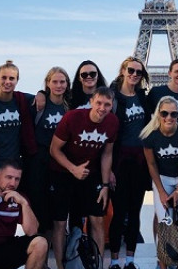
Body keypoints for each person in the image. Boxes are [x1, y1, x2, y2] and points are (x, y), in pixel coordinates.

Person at [49, 87, 119, 269]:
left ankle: (97, 265)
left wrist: (104, 185)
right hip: (63, 171)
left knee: (97, 218)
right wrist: (73, 169)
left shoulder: (112, 122)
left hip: (91, 173)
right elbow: (54, 149)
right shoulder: (73, 117)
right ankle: (60, 265)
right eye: (99, 103)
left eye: (107, 104)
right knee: (60, 221)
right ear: (91, 102)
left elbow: (107, 154)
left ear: (112, 106)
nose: (102, 108)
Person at [140, 96, 178, 269]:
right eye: (164, 113)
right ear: (158, 114)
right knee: (164, 219)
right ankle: (162, 262)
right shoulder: (150, 134)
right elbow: (151, 163)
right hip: (162, 177)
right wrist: (162, 191)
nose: (169, 117)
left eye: (174, 114)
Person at [109, 57, 151, 269]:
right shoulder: (113, 98)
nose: (135, 74)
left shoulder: (143, 97)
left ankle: (131, 260)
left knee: (135, 212)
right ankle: (115, 260)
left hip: (140, 162)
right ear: (123, 70)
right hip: (120, 162)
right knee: (119, 213)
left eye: (139, 72)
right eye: (131, 70)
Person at [28, 67, 71, 235]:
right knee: (39, 207)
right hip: (40, 162)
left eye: (62, 82)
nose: (58, 85)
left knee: (58, 211)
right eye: (54, 81)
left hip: (60, 163)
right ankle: (40, 254)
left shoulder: (69, 107)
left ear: (67, 84)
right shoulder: (39, 104)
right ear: (47, 83)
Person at [0, 60, 37, 183]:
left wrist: (41, 94)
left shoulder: (22, 100)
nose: (7, 82)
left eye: (12, 78)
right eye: (3, 78)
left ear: (17, 80)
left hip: (13, 166)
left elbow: (43, 97)